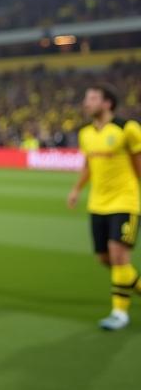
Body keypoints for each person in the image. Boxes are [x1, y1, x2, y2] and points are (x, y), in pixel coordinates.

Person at [67, 83, 141, 331]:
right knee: (104, 258)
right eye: (87, 97)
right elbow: (88, 165)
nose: (87, 102)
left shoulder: (127, 129)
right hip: (97, 204)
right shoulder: (85, 133)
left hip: (125, 201)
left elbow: (138, 163)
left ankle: (119, 313)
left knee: (119, 255)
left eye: (93, 97)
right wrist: (77, 190)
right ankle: (136, 285)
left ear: (107, 103)